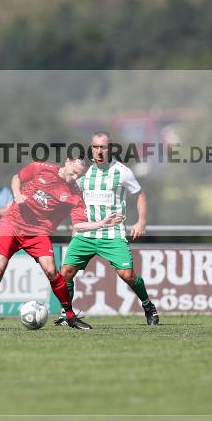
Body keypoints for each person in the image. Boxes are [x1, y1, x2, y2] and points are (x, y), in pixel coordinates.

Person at [0, 157, 123, 330]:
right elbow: (17, 178)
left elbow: (78, 224)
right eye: (73, 172)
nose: (73, 177)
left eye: (78, 175)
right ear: (67, 161)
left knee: (51, 270)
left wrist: (102, 224)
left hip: (37, 232)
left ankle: (70, 316)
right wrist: (17, 194)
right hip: (12, 224)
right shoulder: (41, 168)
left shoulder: (74, 194)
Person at [57, 131, 158, 327]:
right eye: (95, 147)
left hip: (112, 234)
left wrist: (141, 221)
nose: (99, 151)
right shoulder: (84, 172)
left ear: (110, 149)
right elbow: (73, 197)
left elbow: (140, 195)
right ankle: (66, 314)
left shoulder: (122, 171)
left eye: (103, 147)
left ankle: (148, 306)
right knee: (66, 272)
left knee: (127, 275)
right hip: (86, 233)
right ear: (91, 148)